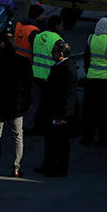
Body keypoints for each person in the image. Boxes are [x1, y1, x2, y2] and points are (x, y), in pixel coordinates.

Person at [0, 25, 32, 178]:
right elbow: (28, 86)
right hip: (16, 106)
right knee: (18, 137)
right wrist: (26, 104)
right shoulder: (23, 62)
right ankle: (16, 168)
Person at [37, 40, 78, 177]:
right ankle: (48, 164)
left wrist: (63, 116)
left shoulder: (66, 69)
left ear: (61, 54)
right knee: (51, 139)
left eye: (53, 51)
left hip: (60, 113)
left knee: (60, 142)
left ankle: (60, 168)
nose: (51, 53)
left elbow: (68, 95)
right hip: (53, 111)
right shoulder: (60, 66)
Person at [81, 16, 107, 147]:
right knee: (106, 111)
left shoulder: (91, 38)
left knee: (89, 110)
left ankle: (87, 137)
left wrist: (88, 71)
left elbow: (86, 57)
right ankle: (104, 139)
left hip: (92, 78)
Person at [29, 13, 63, 132]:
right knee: (49, 103)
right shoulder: (58, 39)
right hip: (49, 75)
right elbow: (61, 60)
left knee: (35, 101)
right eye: (61, 25)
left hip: (36, 73)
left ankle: (30, 125)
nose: (62, 27)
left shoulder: (38, 36)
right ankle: (45, 126)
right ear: (57, 26)